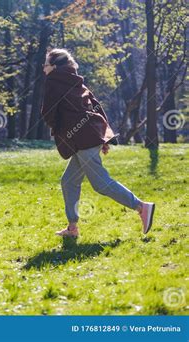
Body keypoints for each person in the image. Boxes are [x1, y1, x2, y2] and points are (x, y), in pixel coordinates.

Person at [41, 48, 155, 238]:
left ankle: (141, 207)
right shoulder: (77, 81)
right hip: (89, 135)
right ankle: (72, 228)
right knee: (69, 181)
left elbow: (47, 112)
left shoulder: (54, 80)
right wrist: (102, 136)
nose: (43, 69)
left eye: (45, 65)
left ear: (54, 66)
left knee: (101, 183)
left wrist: (59, 127)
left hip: (83, 138)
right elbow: (95, 106)